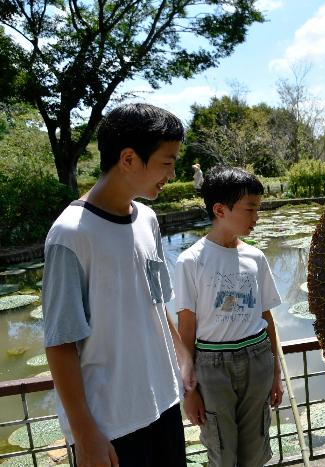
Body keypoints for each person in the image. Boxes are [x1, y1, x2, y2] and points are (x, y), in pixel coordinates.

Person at [43, 103, 195, 467]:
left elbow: (157, 301)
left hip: (165, 402)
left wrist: (184, 358)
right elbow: (60, 344)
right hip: (112, 425)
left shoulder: (148, 219)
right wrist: (85, 435)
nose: (172, 173)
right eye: (166, 162)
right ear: (128, 159)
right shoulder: (70, 234)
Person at [175, 164, 284, 466]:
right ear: (220, 210)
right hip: (212, 367)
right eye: (250, 209)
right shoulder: (191, 261)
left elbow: (266, 317)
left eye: (258, 209)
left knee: (255, 451)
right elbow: (186, 330)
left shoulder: (256, 257)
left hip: (257, 359)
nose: (256, 218)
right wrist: (189, 391)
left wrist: (275, 372)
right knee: (222, 454)